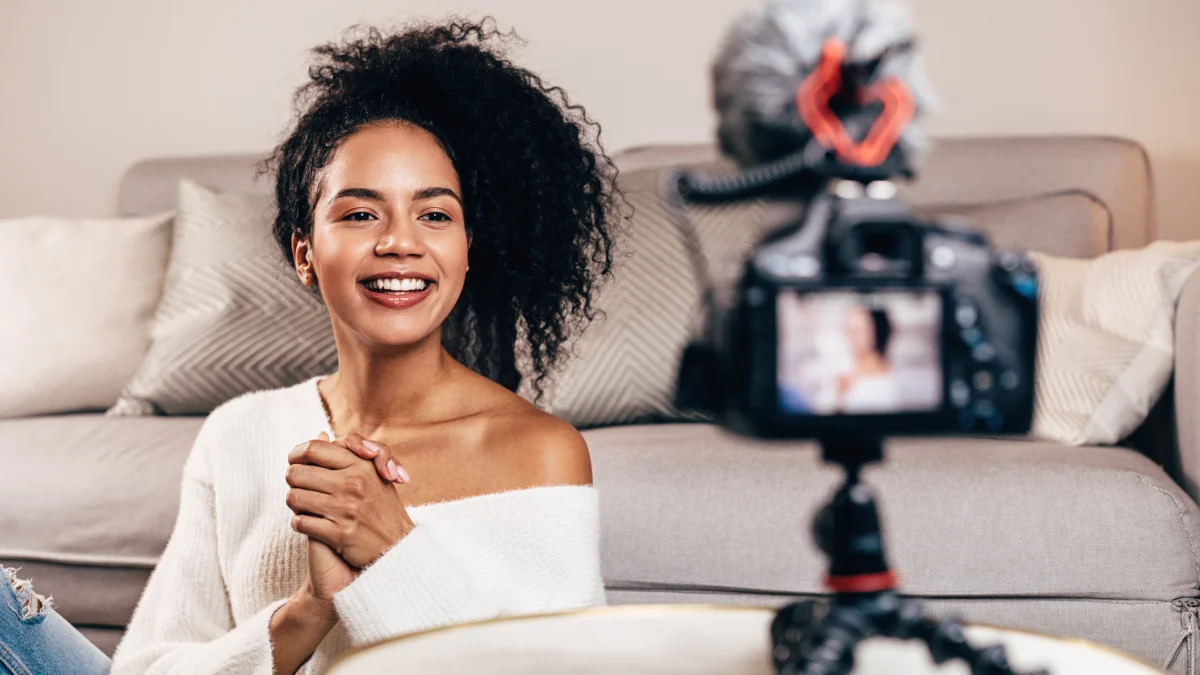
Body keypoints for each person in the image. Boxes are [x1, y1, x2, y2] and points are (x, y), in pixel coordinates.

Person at [0, 18, 620, 675]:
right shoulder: (238, 434)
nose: (400, 241)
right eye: (360, 213)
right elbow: (147, 669)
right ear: (305, 254)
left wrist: (391, 550)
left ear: (467, 249)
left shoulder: (540, 452)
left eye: (435, 214)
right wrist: (307, 610)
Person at [833, 303, 900, 413]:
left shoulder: (882, 387)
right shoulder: (845, 375)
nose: (850, 338)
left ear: (875, 333)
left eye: (858, 331)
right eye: (848, 331)